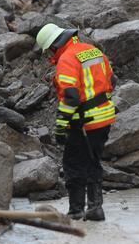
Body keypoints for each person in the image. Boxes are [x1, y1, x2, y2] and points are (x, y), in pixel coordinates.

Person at [35, 23, 117, 221]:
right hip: (104, 117)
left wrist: (61, 127)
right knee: (93, 161)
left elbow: (71, 96)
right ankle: (95, 207)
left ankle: (76, 210)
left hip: (83, 121)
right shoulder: (91, 50)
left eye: (48, 52)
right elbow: (112, 81)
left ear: (54, 46)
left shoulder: (67, 59)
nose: (49, 56)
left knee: (73, 164)